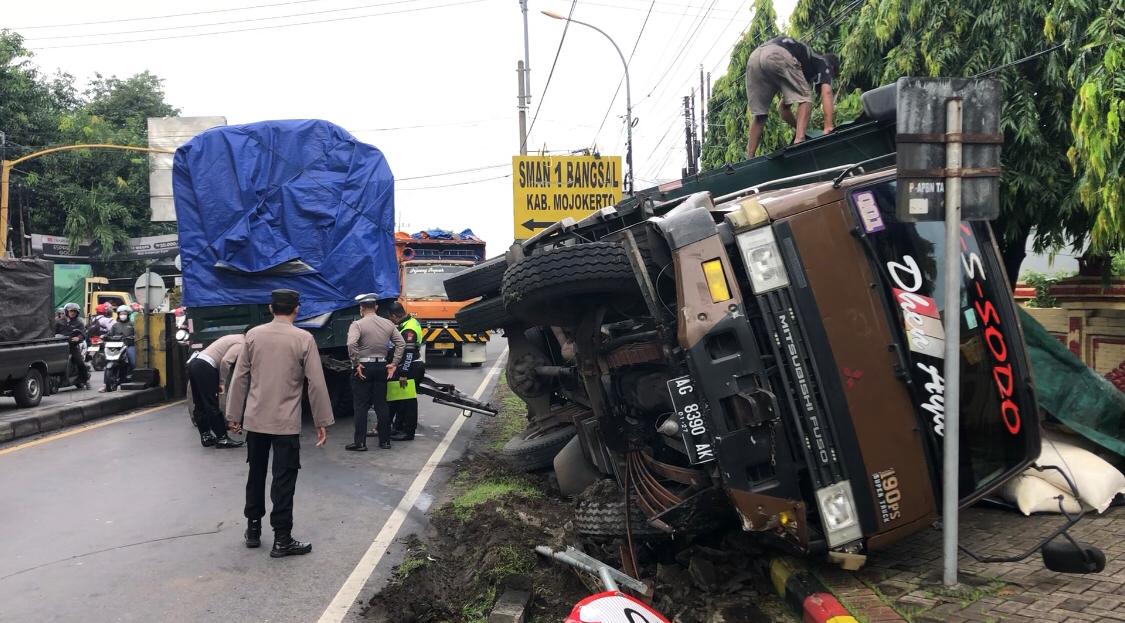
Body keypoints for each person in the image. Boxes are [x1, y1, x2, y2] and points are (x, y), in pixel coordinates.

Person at [226, 289, 333, 557]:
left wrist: (233, 416)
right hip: (285, 423)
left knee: (256, 473)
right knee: (283, 479)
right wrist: (321, 420)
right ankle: (282, 539)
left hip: (256, 420)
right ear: (297, 309)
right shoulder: (304, 338)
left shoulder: (253, 335)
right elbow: (316, 383)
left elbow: (239, 377)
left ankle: (253, 529)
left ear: (271, 308)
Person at [744, 35, 838, 158]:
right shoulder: (823, 62)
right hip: (776, 53)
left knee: (760, 115)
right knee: (806, 98)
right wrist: (828, 127)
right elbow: (827, 93)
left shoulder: (800, 71)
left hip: (754, 58)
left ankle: (749, 157)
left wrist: (802, 128)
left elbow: (783, 109)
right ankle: (799, 141)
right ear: (832, 68)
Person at [346, 293, 404, 451]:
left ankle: (360, 443)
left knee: (361, 406)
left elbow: (351, 343)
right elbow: (401, 344)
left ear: (361, 308)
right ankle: (385, 441)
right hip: (382, 367)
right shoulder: (388, 324)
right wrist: (393, 364)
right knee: (381, 404)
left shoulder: (357, 324)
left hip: (364, 367)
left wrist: (356, 362)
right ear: (376, 307)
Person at [187, 331, 246, 449]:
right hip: (206, 366)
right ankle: (222, 438)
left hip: (195, 363)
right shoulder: (242, 342)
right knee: (211, 403)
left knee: (200, 403)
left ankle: (206, 436)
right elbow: (226, 361)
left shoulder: (232, 337)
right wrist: (222, 382)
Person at [386, 302, 423, 442]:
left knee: (408, 402)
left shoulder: (409, 330)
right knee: (401, 400)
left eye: (390, 318)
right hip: (409, 366)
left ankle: (408, 432)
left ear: (395, 316)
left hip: (411, 367)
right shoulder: (411, 322)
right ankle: (399, 428)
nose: (390, 320)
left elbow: (409, 354)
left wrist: (403, 374)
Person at [54, 303, 90, 390]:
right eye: (71, 311)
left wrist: (78, 338)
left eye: (74, 311)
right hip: (59, 346)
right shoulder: (59, 322)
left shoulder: (79, 322)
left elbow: (83, 334)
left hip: (72, 347)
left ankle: (85, 380)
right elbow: (52, 332)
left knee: (80, 362)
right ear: (66, 311)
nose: (72, 313)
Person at [100, 305, 136, 392]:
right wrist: (104, 336)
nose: (122, 315)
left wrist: (133, 337)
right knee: (109, 361)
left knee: (133, 362)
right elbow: (109, 334)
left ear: (128, 315)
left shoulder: (132, 325)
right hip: (116, 347)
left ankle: (133, 378)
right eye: (121, 314)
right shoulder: (115, 325)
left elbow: (137, 334)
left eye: (124, 313)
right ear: (118, 314)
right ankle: (105, 385)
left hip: (128, 346)